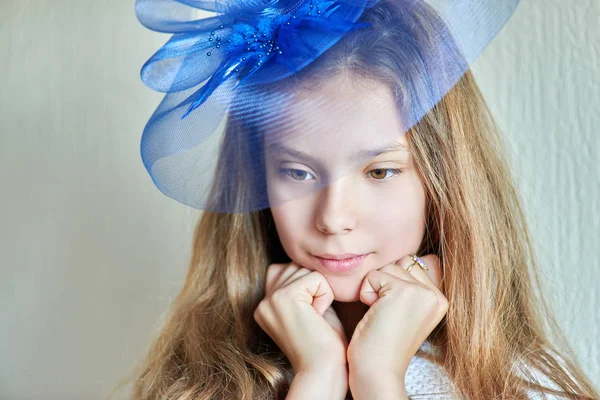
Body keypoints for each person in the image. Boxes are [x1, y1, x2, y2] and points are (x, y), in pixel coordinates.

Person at [112, 0, 599, 398]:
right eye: (298, 172)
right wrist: (317, 379)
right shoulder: (198, 386)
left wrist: (377, 380)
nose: (334, 218)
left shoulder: (519, 387)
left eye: (380, 171)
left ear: (443, 178)